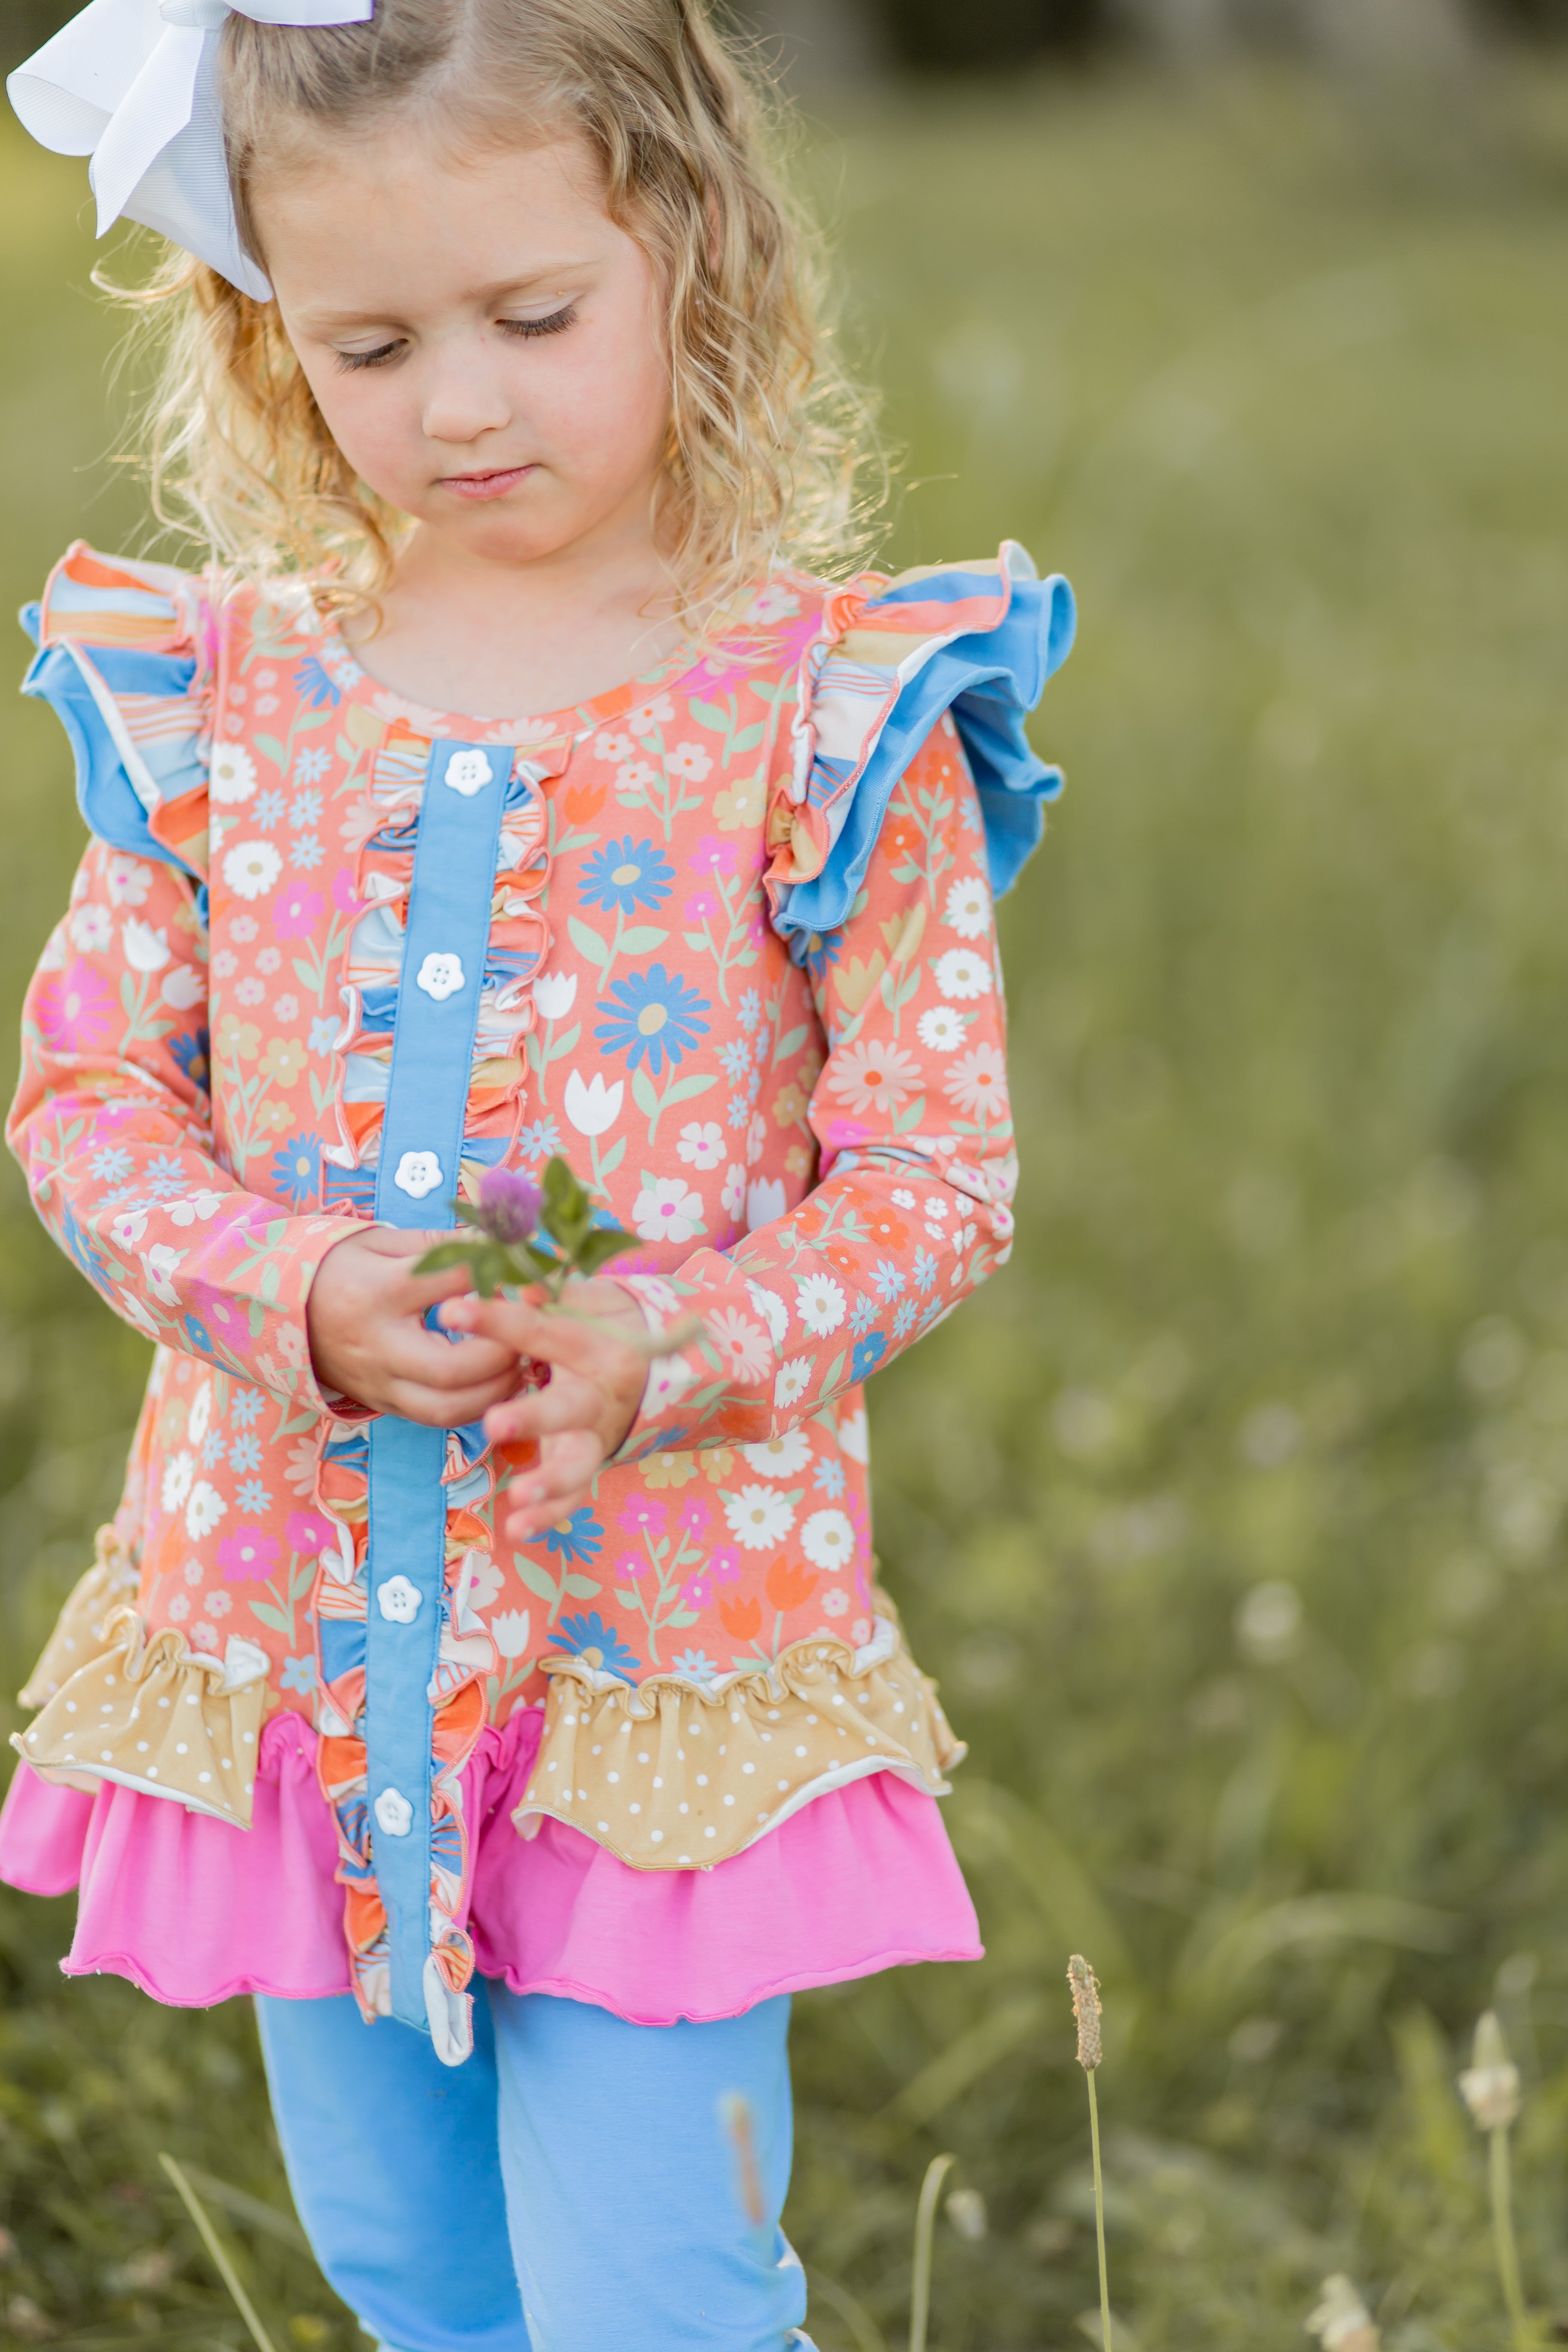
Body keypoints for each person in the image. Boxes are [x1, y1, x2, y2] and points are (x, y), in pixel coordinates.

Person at [0, 3, 1074, 2346]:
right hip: (300, 1629)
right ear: (267, 327)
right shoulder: (225, 701)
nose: (460, 404)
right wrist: (289, 1287)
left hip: (656, 1661)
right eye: (372, 342)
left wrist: (670, 1335)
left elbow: (931, 1174)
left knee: (658, 2290)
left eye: (532, 317)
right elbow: (86, 1100)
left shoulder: (820, 715)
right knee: (409, 2267)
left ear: (689, 241)